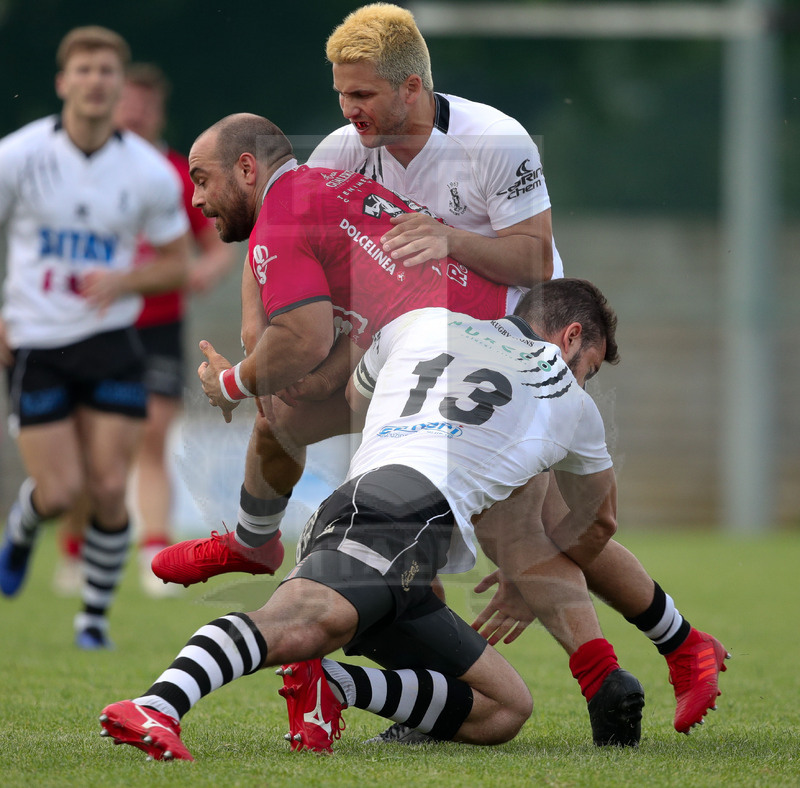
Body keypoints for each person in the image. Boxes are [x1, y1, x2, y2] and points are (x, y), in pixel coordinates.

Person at [155, 3, 730, 736]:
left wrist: (450, 239)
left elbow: (532, 258)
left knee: (525, 528)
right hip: (406, 343)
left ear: (414, 86)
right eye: (341, 94)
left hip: (507, 341)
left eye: (363, 94)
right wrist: (258, 357)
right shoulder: (343, 147)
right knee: (290, 419)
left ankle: (636, 664)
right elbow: (283, 225)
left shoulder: (493, 138)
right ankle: (254, 539)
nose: (350, 110)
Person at [98, 280, 645, 761]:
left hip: (386, 523)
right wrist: (531, 582)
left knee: (505, 709)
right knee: (300, 621)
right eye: (588, 369)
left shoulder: (422, 322)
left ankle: (333, 682)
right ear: (570, 338)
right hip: (396, 518)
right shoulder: (566, 395)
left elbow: (360, 402)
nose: (582, 382)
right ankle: (156, 706)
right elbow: (598, 524)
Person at [0, 27, 190, 648]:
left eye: (107, 70)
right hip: (37, 343)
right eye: (83, 70)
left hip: (112, 341)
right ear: (63, 82)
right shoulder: (19, 156)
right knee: (61, 493)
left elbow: (177, 263)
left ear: (117, 82)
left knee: (111, 489)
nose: (95, 81)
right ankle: (26, 526)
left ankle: (93, 621)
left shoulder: (148, 171)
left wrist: (128, 279)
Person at [51, 62, 236, 599]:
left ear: (158, 110)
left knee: (153, 433)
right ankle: (74, 545)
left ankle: (153, 549)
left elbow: (212, 242)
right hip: (91, 324)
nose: (134, 112)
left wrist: (206, 268)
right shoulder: (82, 168)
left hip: (157, 324)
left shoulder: (177, 172)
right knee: (93, 446)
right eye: (127, 102)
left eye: (145, 105)